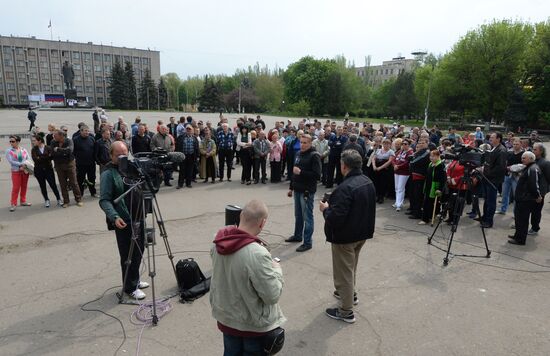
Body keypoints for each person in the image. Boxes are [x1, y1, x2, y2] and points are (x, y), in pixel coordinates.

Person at [210, 200, 285, 355]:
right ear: (262, 223)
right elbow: (272, 295)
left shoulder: (218, 242)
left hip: (227, 319)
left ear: (241, 215)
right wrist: (277, 270)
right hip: (253, 326)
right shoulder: (257, 253)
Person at [319, 150, 376, 323]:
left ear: (344, 166)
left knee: (344, 271)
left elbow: (335, 218)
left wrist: (326, 209)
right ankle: (350, 294)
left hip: (345, 237)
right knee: (350, 268)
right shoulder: (367, 181)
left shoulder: (345, 188)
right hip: (361, 233)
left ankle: (346, 311)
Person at [99, 141, 149, 300]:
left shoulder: (132, 168)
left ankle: (135, 279)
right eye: (118, 154)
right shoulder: (108, 174)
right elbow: (104, 200)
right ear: (111, 155)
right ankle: (130, 287)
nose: (122, 157)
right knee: (128, 254)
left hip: (138, 216)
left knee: (139, 249)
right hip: (124, 219)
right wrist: (114, 216)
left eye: (125, 153)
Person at [285, 134, 322, 252]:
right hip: (297, 189)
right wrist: (291, 187)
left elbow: (317, 175)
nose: (302, 144)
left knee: (307, 217)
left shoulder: (314, 156)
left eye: (305, 142)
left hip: (307, 191)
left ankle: (307, 242)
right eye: (301, 142)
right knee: (298, 215)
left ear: (311, 143)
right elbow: (294, 172)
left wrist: (301, 172)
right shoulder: (298, 154)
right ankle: (297, 236)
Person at [508, 151, 543, 246]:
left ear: (531, 159)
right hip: (521, 198)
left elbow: (534, 185)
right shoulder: (528, 167)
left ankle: (520, 239)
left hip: (525, 199)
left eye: (524, 158)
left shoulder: (532, 169)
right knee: (519, 219)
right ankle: (517, 235)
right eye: (522, 157)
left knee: (522, 220)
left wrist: (537, 196)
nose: (522, 159)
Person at [479, 132, 507, 228]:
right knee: (486, 199)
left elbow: (500, 167)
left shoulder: (502, 150)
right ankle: (484, 217)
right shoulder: (493, 148)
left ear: (498, 139)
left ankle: (489, 221)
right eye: (490, 137)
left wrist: (487, 172)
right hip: (487, 178)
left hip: (493, 180)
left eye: (492, 137)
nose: (490, 138)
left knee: (491, 201)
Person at [51, 129, 83, 208]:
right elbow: (52, 153)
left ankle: (78, 199)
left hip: (69, 165)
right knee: (63, 184)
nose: (54, 136)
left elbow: (70, 150)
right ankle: (66, 201)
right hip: (59, 166)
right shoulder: (53, 142)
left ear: (61, 136)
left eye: (56, 135)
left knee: (74, 183)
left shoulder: (69, 141)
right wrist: (63, 152)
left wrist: (58, 149)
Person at [31, 133, 62, 208]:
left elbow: (51, 157)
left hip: (48, 170)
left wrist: (40, 157)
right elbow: (35, 159)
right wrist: (46, 157)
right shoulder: (34, 149)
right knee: (42, 186)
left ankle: (58, 199)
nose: (33, 142)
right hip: (39, 171)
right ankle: (46, 200)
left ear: (40, 141)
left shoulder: (48, 148)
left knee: (53, 185)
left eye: (34, 140)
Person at [419, 150, 446, 225]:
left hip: (435, 187)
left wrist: (439, 189)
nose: (431, 158)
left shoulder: (440, 165)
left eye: (433, 156)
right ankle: (428, 217)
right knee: (428, 202)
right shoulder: (430, 164)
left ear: (438, 156)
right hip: (428, 185)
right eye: (430, 156)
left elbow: (443, 179)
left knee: (431, 202)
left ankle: (426, 218)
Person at [497, 138, 523, 214]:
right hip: (507, 175)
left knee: (516, 195)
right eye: (514, 144)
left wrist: (513, 168)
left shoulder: (523, 154)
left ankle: (516, 213)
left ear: (521, 144)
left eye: (517, 144)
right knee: (505, 194)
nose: (515, 145)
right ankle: (503, 209)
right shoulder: (509, 152)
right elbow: (505, 162)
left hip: (517, 177)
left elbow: (524, 166)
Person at [6, 135, 32, 212]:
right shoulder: (9, 151)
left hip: (24, 170)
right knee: (16, 188)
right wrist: (20, 165)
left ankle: (23, 201)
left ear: (18, 142)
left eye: (13, 141)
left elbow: (28, 158)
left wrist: (24, 166)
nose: (11, 143)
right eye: (10, 141)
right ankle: (13, 203)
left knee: (24, 186)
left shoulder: (23, 149)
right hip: (16, 171)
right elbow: (11, 161)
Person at [530, 143, 550, 235]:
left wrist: (543, 192)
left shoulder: (545, 163)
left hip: (539, 191)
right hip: (531, 190)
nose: (533, 151)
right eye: (533, 149)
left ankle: (535, 228)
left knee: (536, 211)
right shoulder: (532, 161)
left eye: (535, 149)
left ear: (541, 151)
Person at [407, 139, 430, 219]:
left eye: (423, 143)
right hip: (413, 175)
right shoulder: (418, 151)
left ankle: (417, 213)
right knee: (412, 193)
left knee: (417, 195)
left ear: (427, 144)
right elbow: (410, 158)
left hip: (419, 176)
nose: (421, 144)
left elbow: (415, 161)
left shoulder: (426, 152)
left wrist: (411, 161)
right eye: (419, 143)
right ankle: (412, 209)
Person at [73, 125, 97, 197]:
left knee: (92, 178)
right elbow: (73, 152)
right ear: (81, 131)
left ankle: (93, 192)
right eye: (85, 131)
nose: (87, 132)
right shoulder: (75, 140)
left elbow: (95, 150)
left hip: (91, 163)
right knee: (80, 179)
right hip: (80, 164)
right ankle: (81, 193)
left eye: (88, 131)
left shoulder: (92, 139)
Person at [371, 139, 395, 204]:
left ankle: (381, 197)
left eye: (387, 144)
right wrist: (374, 166)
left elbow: (389, 161)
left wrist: (380, 168)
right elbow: (373, 158)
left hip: (385, 169)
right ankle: (377, 196)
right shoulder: (378, 150)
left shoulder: (391, 152)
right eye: (384, 143)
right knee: (376, 182)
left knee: (383, 183)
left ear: (390, 145)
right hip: (376, 168)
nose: (386, 145)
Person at [392, 139, 413, 211]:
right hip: (397, 171)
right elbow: (394, 159)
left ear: (409, 145)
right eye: (402, 144)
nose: (403, 145)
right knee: (397, 187)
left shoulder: (410, 152)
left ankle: (399, 204)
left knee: (401, 188)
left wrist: (398, 166)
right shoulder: (400, 151)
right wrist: (394, 165)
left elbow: (407, 162)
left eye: (405, 144)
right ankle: (397, 202)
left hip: (404, 173)